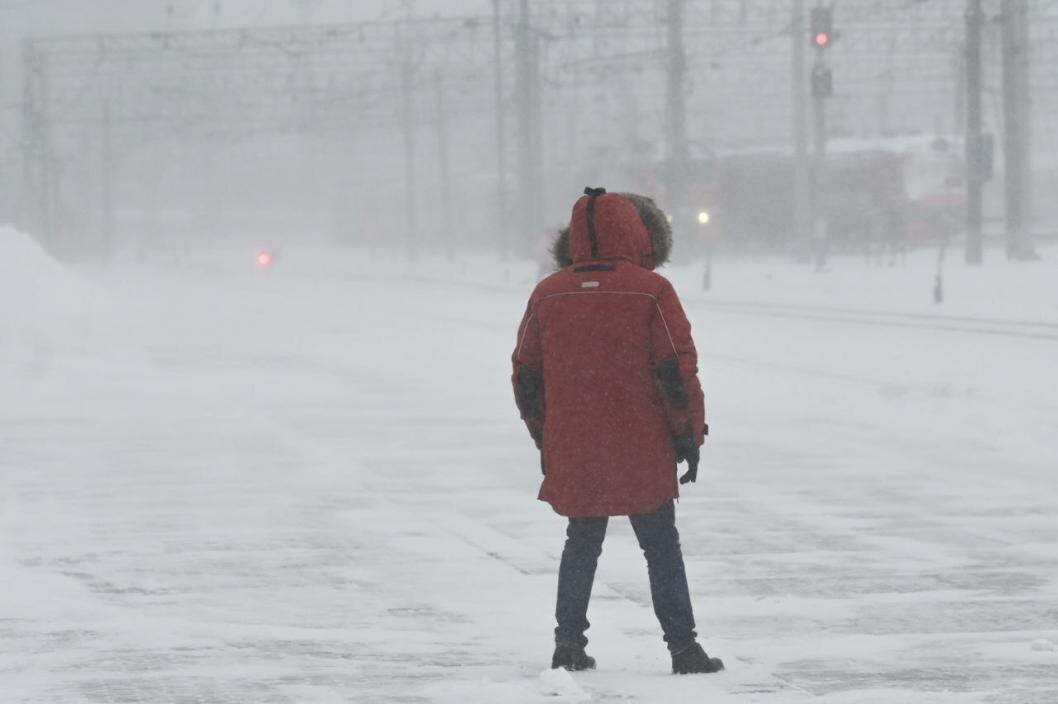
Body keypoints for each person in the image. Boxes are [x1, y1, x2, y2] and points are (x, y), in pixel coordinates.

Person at [511, 187, 724, 675]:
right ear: (639, 235)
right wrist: (687, 436)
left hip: (577, 441)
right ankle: (683, 649)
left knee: (581, 542)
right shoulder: (651, 291)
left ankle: (568, 646)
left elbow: (526, 374)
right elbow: (675, 370)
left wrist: (545, 435)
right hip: (641, 442)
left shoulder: (548, 293)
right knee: (660, 545)